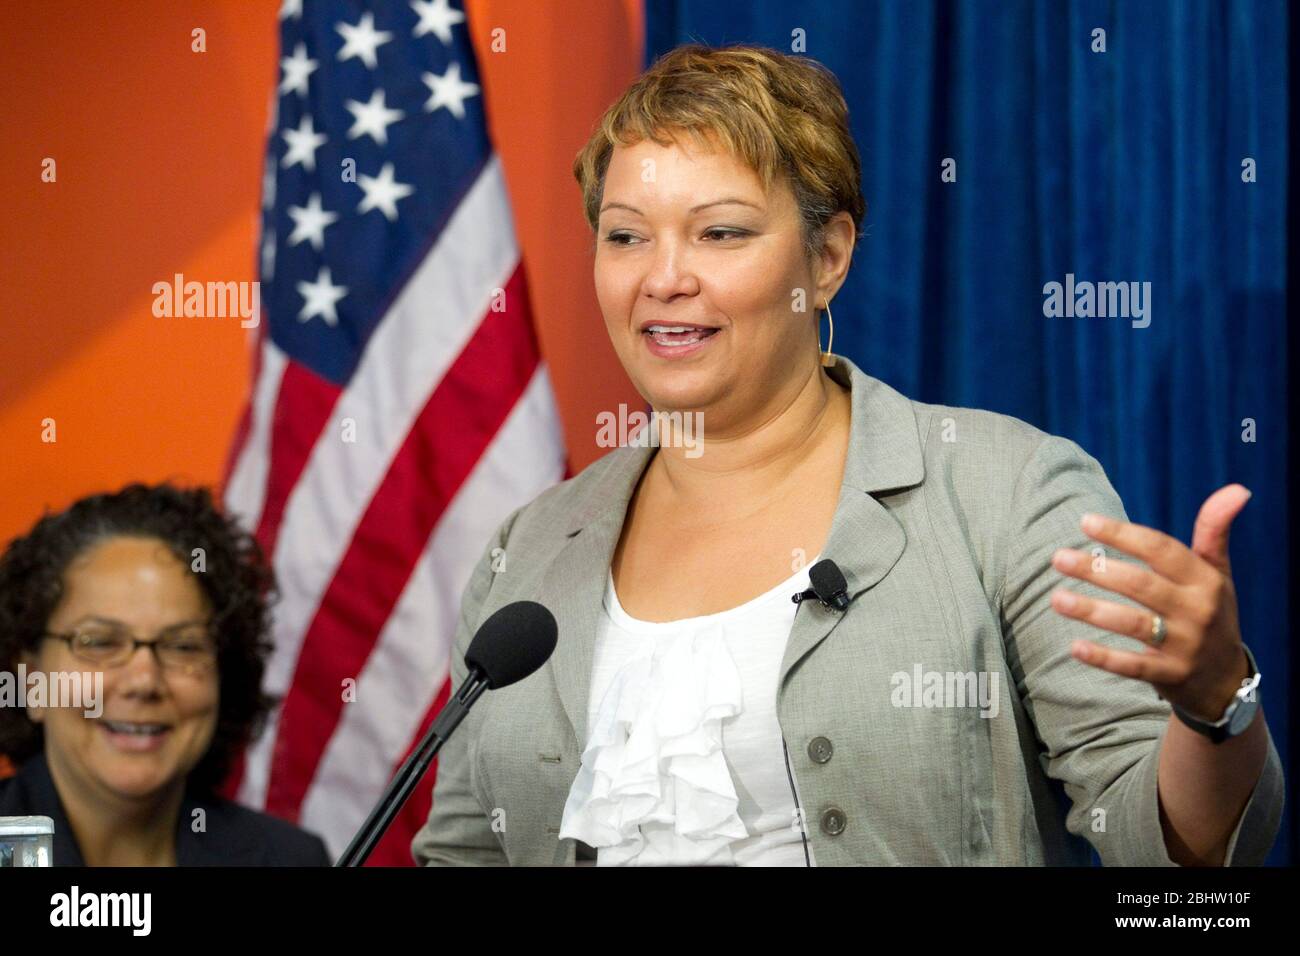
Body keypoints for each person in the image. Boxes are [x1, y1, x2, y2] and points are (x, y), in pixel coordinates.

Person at [411, 43, 1283, 866]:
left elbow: (1167, 844)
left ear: (826, 258)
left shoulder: (1004, 492)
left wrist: (1214, 706)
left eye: (719, 233)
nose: (662, 278)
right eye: (626, 234)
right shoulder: (523, 554)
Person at [0, 483, 330, 866]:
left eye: (183, 646)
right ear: (32, 681)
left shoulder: (289, 860)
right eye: (101, 642)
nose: (144, 681)